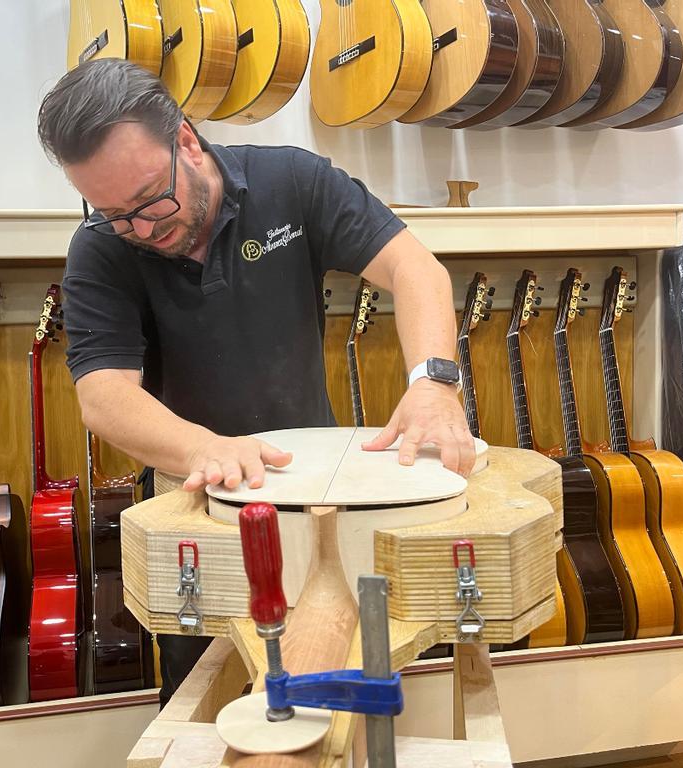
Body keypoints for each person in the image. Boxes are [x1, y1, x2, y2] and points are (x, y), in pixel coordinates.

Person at [37, 58, 475, 706]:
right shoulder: (102, 246)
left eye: (151, 201)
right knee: (207, 701)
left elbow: (416, 269)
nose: (142, 230)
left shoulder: (290, 182)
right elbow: (103, 396)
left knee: (337, 686)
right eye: (115, 214)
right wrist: (202, 448)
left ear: (187, 140)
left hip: (317, 495)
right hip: (199, 511)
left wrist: (434, 383)